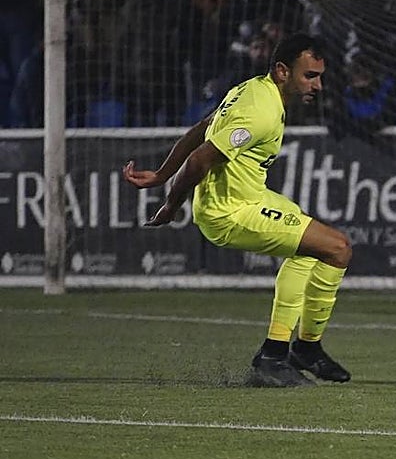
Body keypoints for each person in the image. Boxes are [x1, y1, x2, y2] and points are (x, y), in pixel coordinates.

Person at [122, 34, 353, 388]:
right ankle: (276, 356)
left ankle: (305, 349)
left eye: (320, 76)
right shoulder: (262, 111)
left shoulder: (250, 89)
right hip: (229, 211)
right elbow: (200, 159)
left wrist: (161, 174)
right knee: (337, 247)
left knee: (316, 250)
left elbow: (202, 129)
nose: (318, 85)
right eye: (309, 75)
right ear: (281, 71)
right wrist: (171, 203)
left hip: (252, 197)